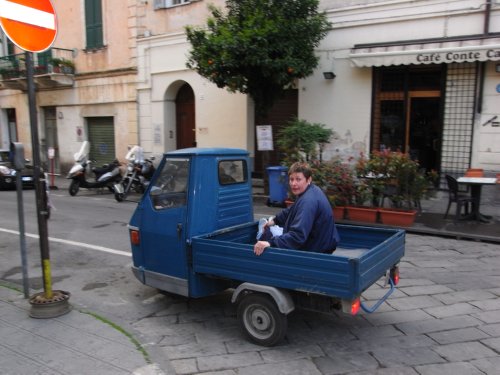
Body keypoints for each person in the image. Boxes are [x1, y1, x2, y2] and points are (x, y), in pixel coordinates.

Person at [254, 162, 340, 256]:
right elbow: (292, 210)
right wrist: (274, 220)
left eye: (298, 179)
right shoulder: (310, 190)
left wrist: (271, 243)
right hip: (319, 244)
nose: (294, 183)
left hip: (316, 251)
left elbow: (298, 236)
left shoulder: (308, 201)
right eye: (291, 179)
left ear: (308, 180)